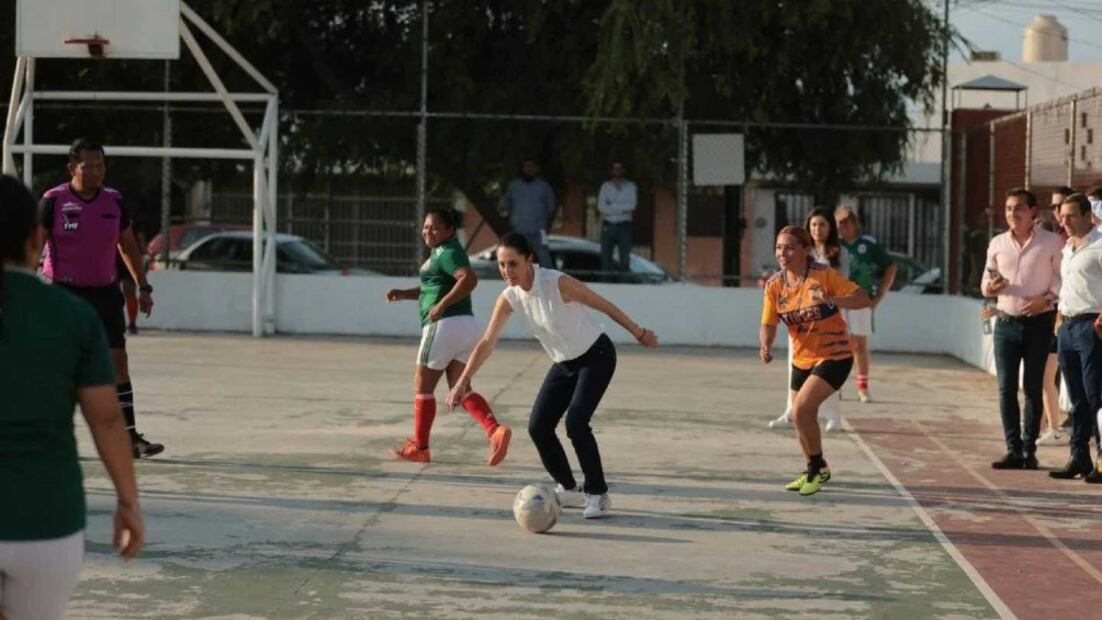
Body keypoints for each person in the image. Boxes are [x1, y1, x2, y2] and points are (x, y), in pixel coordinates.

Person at [0, 175, 143, 620]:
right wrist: (127, 503)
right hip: (47, 521)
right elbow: (105, 420)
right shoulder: (74, 316)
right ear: (38, 237)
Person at [445, 233, 659, 518]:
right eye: (501, 265)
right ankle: (569, 489)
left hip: (596, 356)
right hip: (563, 363)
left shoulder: (557, 283)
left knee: (576, 422)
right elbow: (487, 341)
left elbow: (603, 304)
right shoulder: (510, 297)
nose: (506, 271)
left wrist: (638, 332)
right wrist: (463, 381)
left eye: (513, 264)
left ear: (529, 259)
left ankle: (598, 494)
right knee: (538, 427)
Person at [40, 139, 164, 459]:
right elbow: (33, 249)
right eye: (88, 166)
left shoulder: (114, 201)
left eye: (100, 166)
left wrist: (143, 287)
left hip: (105, 294)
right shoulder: (53, 201)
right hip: (63, 295)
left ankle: (130, 438)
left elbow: (127, 246)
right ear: (72, 168)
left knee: (117, 365)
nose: (95, 172)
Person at [385, 208, 512, 465]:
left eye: (434, 227)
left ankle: (420, 447)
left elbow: (468, 279)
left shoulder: (447, 252)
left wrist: (441, 306)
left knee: (423, 386)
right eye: (425, 227)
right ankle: (495, 431)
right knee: (461, 388)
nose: (427, 231)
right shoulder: (442, 253)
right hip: (466, 326)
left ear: (449, 230)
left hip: (445, 326)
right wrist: (405, 293)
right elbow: (433, 287)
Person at [760, 226, 870, 496]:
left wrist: (832, 299)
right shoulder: (775, 285)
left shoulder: (823, 275)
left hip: (835, 355)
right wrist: (766, 343)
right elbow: (768, 321)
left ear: (804, 250)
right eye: (778, 247)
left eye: (788, 247)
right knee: (800, 418)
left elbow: (862, 298)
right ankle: (812, 467)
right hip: (802, 358)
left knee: (801, 410)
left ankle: (817, 469)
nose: (782, 253)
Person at [981, 188, 1062, 470]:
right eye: (1008, 208)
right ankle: (1013, 449)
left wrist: (1046, 300)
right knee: (1005, 389)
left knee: (1032, 387)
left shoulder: (1052, 243)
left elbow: (1063, 282)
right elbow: (986, 281)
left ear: (1032, 212)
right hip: (1005, 323)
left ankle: (1029, 451)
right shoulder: (997, 243)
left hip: (1039, 324)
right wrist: (991, 287)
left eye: (1018, 208)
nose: (1012, 214)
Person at [770, 207, 849, 431]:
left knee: (828, 369)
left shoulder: (839, 253)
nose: (817, 229)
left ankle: (833, 416)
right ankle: (791, 412)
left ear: (830, 228)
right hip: (800, 321)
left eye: (822, 224)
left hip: (829, 323)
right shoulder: (799, 251)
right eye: (813, 225)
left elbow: (846, 287)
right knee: (795, 367)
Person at [1049, 193, 1102, 483]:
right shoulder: (1068, 248)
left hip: (1091, 328)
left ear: (1087, 216)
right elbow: (1067, 288)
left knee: (1097, 397)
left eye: (1070, 216)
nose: (1064, 221)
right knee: (1076, 399)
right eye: (1061, 216)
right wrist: (1059, 319)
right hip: (1068, 329)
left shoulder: (1100, 245)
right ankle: (1078, 457)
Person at [835, 205, 896, 403]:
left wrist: (879, 296)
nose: (841, 226)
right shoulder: (834, 245)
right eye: (838, 222)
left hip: (861, 300)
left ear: (854, 223)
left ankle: (862, 388)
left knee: (859, 344)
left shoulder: (868, 244)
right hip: (837, 300)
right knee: (838, 343)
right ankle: (836, 386)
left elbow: (890, 266)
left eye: (845, 222)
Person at [1036, 186, 1074, 444]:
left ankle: (1054, 427)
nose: (1055, 211)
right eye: (1052, 206)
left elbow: (1064, 284)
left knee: (1049, 378)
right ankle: (1043, 426)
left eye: (1059, 206)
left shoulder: (1066, 243)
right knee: (1044, 379)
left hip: (1063, 321)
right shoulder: (1062, 242)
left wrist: (1051, 301)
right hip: (1050, 320)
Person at [504, 158, 556, 267]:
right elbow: (508, 206)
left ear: (536, 169)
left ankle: (548, 281)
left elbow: (551, 208)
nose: (529, 170)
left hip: (538, 231)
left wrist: (544, 225)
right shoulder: (514, 186)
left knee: (544, 257)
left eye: (531, 167)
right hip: (519, 230)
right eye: (526, 167)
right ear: (522, 169)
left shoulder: (544, 187)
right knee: (517, 257)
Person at [596, 161, 637, 278]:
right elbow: (601, 207)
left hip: (625, 225)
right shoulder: (605, 186)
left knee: (624, 258)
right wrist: (621, 209)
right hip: (608, 225)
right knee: (606, 258)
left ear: (623, 170)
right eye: (615, 168)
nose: (617, 171)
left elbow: (632, 205)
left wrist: (612, 205)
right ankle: (606, 284)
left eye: (619, 168)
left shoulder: (631, 187)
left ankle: (625, 284)